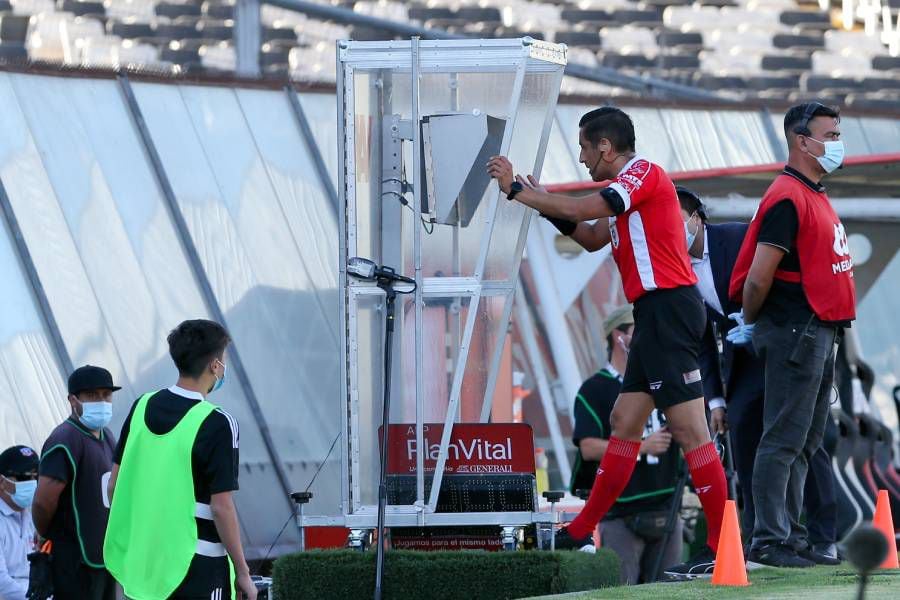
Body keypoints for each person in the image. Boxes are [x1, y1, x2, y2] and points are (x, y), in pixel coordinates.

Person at [488, 106, 727, 577]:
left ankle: (721, 547)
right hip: (656, 313)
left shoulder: (642, 174)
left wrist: (520, 192)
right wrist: (543, 201)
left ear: (605, 146)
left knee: (691, 432)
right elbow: (592, 236)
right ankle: (581, 530)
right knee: (624, 420)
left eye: (583, 147)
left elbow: (582, 210)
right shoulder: (627, 194)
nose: (580, 158)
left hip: (668, 310)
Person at [678, 186, 840, 565]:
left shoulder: (736, 236)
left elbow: (768, 281)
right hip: (741, 362)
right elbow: (702, 339)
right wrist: (715, 399)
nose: (670, 228)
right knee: (749, 442)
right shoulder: (676, 267)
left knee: (802, 439)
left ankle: (822, 537)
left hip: (781, 343)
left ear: (696, 218)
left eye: (676, 218)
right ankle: (762, 538)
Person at [729, 102, 855, 568]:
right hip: (797, 330)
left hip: (817, 330)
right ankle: (770, 539)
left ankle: (792, 535)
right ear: (803, 141)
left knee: (803, 442)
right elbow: (760, 277)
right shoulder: (788, 196)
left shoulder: (810, 193)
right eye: (831, 134)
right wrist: (758, 322)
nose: (838, 144)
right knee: (782, 438)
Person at [104, 319, 257, 600]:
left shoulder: (141, 406)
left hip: (144, 564)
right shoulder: (218, 422)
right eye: (223, 360)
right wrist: (243, 572)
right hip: (197, 565)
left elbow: (114, 486)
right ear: (214, 365)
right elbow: (222, 508)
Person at [569, 306, 683, 584]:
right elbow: (588, 447)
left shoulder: (662, 381)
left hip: (667, 507)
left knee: (670, 590)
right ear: (619, 336)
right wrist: (641, 447)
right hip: (620, 513)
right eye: (639, 329)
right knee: (623, 589)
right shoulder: (594, 389)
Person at [32, 365, 120, 600]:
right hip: (76, 559)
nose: (101, 401)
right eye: (92, 395)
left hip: (104, 555)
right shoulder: (64, 439)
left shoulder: (108, 436)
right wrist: (48, 534)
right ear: (73, 400)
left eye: (106, 395)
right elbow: (42, 503)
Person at [0, 446, 38, 600]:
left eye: (36, 476)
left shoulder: (34, 516)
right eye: (23, 477)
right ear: (2, 481)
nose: (32, 483)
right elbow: (2, 584)